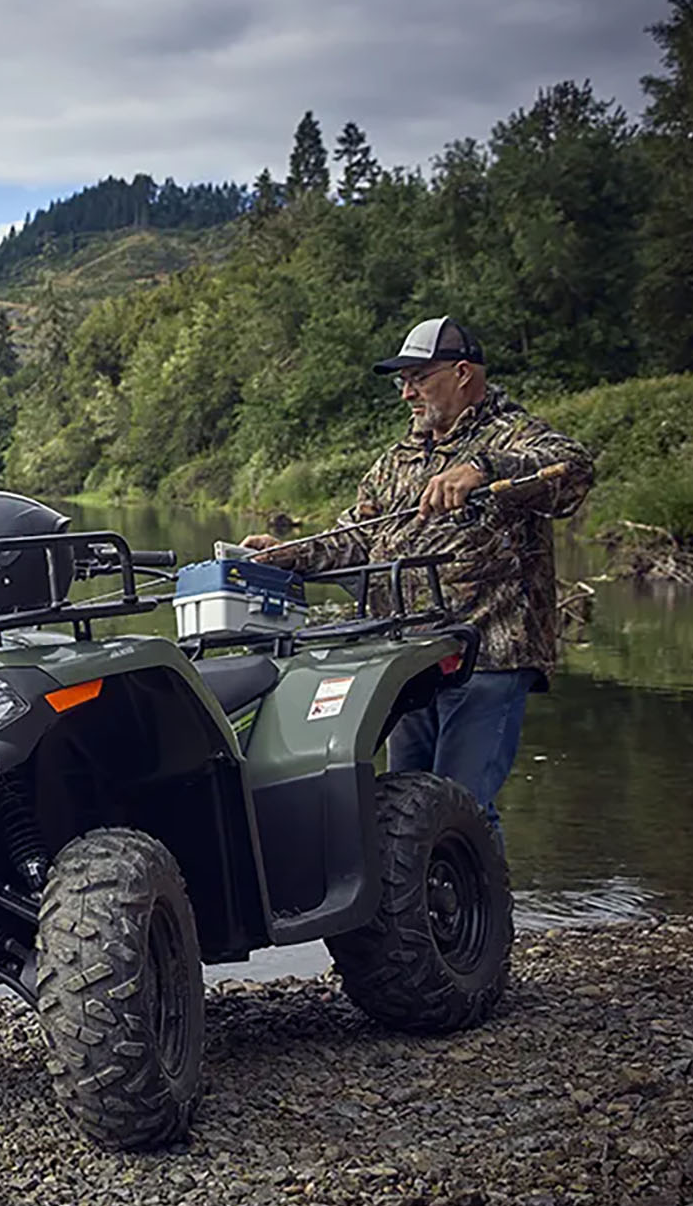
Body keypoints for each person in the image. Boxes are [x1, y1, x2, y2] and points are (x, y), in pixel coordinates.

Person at [240, 316, 594, 844]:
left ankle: (485, 924)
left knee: (462, 807)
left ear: (463, 373)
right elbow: (355, 538)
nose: (406, 392)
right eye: (401, 380)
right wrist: (288, 555)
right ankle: (414, 924)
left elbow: (575, 469)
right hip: (405, 657)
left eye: (418, 378)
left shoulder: (512, 433)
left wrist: (483, 468)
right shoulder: (396, 460)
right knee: (404, 806)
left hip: (488, 654)